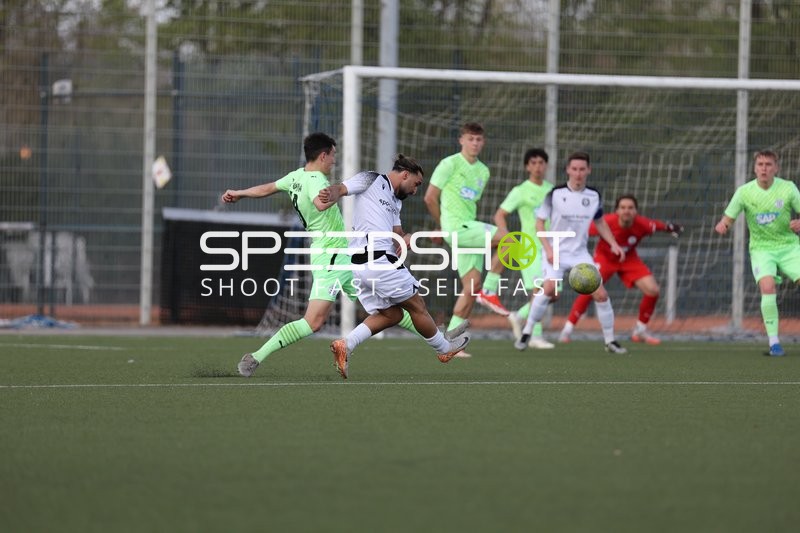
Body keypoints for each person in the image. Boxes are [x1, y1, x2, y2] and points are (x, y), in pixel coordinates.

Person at [221, 133, 419, 377]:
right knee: (380, 305)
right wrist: (327, 198)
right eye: (333, 155)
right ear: (323, 155)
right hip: (337, 255)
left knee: (387, 306)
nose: (334, 161)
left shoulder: (296, 176)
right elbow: (319, 202)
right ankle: (438, 336)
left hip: (328, 253)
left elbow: (268, 188)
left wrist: (240, 193)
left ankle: (257, 357)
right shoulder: (316, 178)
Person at [317, 155, 471, 379]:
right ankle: (444, 349)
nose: (415, 191)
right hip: (377, 262)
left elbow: (396, 233)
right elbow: (341, 188)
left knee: (392, 314)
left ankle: (346, 344)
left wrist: (405, 237)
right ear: (405, 175)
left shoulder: (395, 201)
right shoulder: (371, 179)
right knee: (417, 305)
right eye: (416, 184)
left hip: (362, 266)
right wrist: (331, 193)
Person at [515, 151, 629, 354]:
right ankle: (527, 332)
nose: (578, 173)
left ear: (588, 170)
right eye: (574, 169)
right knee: (548, 289)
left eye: (582, 169)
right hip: (555, 251)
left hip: (579, 255)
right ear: (568, 170)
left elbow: (600, 222)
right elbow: (539, 223)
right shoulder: (555, 194)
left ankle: (610, 341)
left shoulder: (593, 196)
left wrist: (613, 243)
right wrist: (548, 250)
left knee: (601, 294)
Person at [423, 122, 509, 357]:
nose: (475, 143)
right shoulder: (449, 164)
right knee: (509, 240)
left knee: (471, 288)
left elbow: (468, 201)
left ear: (484, 142)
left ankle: (450, 345)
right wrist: (441, 227)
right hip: (456, 228)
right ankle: (491, 291)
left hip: (467, 228)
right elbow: (430, 198)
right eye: (470, 139)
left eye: (479, 139)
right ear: (461, 140)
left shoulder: (483, 171)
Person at [558, 194, 683, 345]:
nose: (626, 211)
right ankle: (567, 330)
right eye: (623, 208)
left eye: (630, 208)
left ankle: (640, 330)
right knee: (590, 287)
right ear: (616, 210)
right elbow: (582, 230)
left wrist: (670, 228)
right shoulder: (607, 222)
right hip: (605, 258)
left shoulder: (642, 224)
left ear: (636, 211)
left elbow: (656, 225)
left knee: (653, 290)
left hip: (629, 259)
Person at [715, 149, 800, 357]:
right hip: (762, 249)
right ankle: (774, 343)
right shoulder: (745, 192)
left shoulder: (788, 188)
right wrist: (723, 225)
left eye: (768, 165)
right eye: (760, 165)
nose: (764, 168)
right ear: (754, 168)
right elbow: (728, 218)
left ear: (776, 168)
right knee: (767, 286)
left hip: (789, 246)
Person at [494, 148, 555, 349]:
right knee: (539, 291)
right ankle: (535, 335)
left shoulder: (552, 190)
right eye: (534, 163)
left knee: (553, 293)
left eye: (541, 163)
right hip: (529, 248)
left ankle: (518, 316)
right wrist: (507, 236)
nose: (538, 166)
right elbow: (500, 214)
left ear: (546, 166)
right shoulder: (520, 191)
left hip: (550, 247)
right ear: (527, 166)